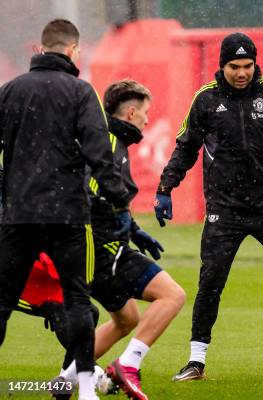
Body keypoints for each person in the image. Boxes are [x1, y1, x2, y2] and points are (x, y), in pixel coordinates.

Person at [154, 32, 263, 382]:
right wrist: (165, 188)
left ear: (255, 64)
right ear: (222, 66)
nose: (242, 73)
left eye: (247, 66)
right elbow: (186, 148)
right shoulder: (205, 100)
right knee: (210, 284)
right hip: (224, 210)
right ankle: (196, 362)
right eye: (234, 66)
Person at [0, 19, 130, 400]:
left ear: (40, 50)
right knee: (76, 300)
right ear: (74, 51)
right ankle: (86, 389)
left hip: (19, 214)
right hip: (68, 214)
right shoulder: (80, 91)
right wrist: (118, 194)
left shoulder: (9, 91)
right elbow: (98, 151)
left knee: (2, 301)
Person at [54, 80, 186, 400]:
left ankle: (64, 381)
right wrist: (118, 224)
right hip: (102, 248)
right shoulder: (109, 141)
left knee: (126, 319)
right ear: (130, 112)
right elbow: (89, 192)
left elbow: (107, 194)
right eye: (144, 112)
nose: (147, 119)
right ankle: (128, 365)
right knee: (172, 296)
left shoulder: (112, 140)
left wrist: (132, 227)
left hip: (98, 246)